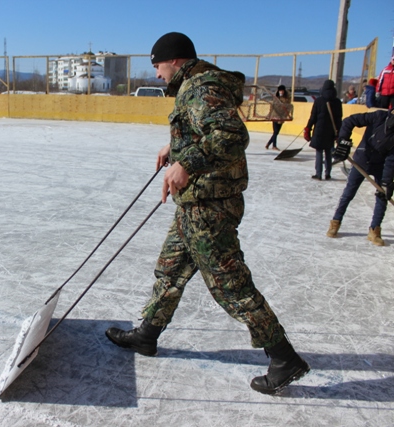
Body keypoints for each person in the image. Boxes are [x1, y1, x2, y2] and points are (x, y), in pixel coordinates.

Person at [104, 32, 309, 395]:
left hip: (208, 207)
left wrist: (187, 163)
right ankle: (146, 335)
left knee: (230, 284)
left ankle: (283, 356)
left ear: (176, 61)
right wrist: (178, 146)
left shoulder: (200, 87)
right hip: (195, 202)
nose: (156, 75)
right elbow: (207, 129)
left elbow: (232, 137)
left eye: (158, 66)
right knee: (170, 269)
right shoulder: (197, 86)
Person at [326, 108, 394, 246]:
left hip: (380, 165)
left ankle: (374, 230)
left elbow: (392, 159)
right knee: (349, 193)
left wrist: (387, 181)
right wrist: (343, 141)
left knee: (382, 196)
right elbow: (349, 121)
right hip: (361, 160)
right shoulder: (378, 116)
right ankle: (336, 222)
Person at [303, 80, 343, 180]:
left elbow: (313, 117)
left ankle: (318, 173)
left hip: (320, 130)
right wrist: (339, 131)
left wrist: (308, 128)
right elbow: (339, 118)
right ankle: (328, 173)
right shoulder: (337, 102)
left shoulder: (319, 101)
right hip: (331, 131)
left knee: (319, 151)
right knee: (328, 152)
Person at [265, 85, 291, 150]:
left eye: (282, 91)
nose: (281, 92)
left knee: (276, 132)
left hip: (282, 116)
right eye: (280, 91)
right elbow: (273, 106)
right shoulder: (276, 97)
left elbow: (287, 106)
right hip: (275, 115)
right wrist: (270, 114)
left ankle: (269, 143)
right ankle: (274, 145)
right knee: (276, 131)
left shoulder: (287, 97)